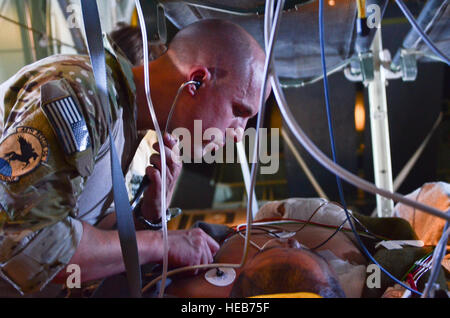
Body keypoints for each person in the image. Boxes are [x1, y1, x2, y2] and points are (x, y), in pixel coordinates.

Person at [0, 18, 267, 297]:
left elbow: (85, 234)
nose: (239, 133)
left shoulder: (128, 124)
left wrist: (148, 219)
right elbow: (26, 246)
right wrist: (159, 243)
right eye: (238, 111)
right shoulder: (83, 97)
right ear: (197, 81)